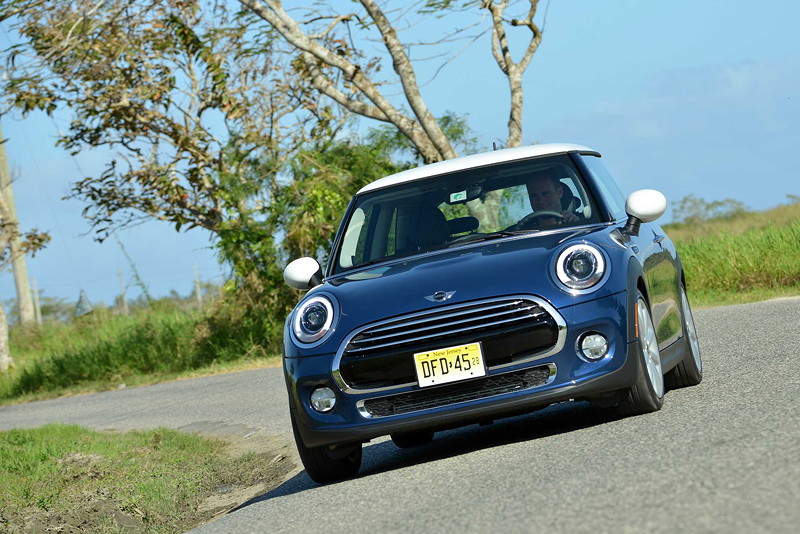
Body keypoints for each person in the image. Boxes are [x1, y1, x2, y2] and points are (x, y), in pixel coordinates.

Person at [508, 172, 582, 230]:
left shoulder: (581, 223)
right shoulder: (518, 232)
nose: (541, 201)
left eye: (546, 194)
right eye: (534, 196)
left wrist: (577, 225)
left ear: (560, 192)